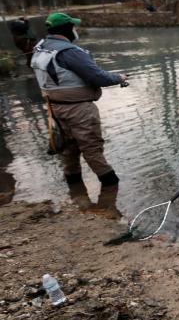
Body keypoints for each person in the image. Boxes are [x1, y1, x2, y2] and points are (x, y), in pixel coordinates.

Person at [30, 12, 127, 189]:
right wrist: (119, 77)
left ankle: (75, 191)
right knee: (92, 149)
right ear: (67, 29)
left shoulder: (41, 47)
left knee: (68, 150)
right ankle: (112, 189)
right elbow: (98, 77)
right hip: (79, 110)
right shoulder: (70, 52)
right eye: (73, 26)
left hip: (55, 108)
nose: (75, 30)